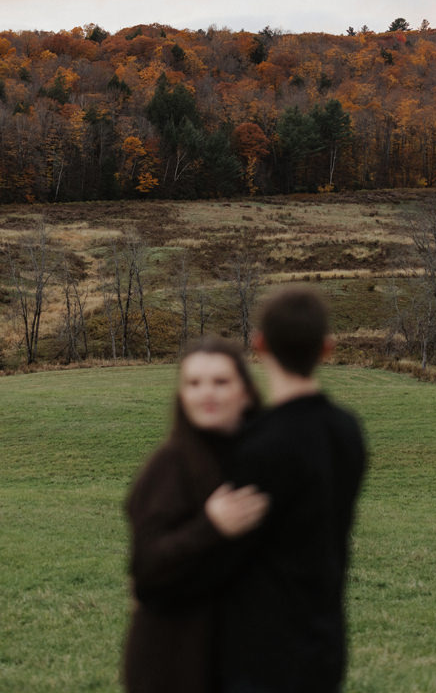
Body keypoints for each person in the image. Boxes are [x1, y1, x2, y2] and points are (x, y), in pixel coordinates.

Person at [213, 285, 367, 693]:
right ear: (327, 348)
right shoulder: (348, 431)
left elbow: (227, 553)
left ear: (259, 344)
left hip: (260, 650)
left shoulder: (257, 444)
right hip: (325, 640)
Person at [123, 336, 270, 693]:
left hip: (247, 656)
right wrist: (211, 526)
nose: (207, 393)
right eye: (193, 383)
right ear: (182, 395)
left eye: (220, 382)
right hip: (175, 660)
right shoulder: (168, 467)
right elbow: (146, 571)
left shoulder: (262, 463)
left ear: (246, 392)